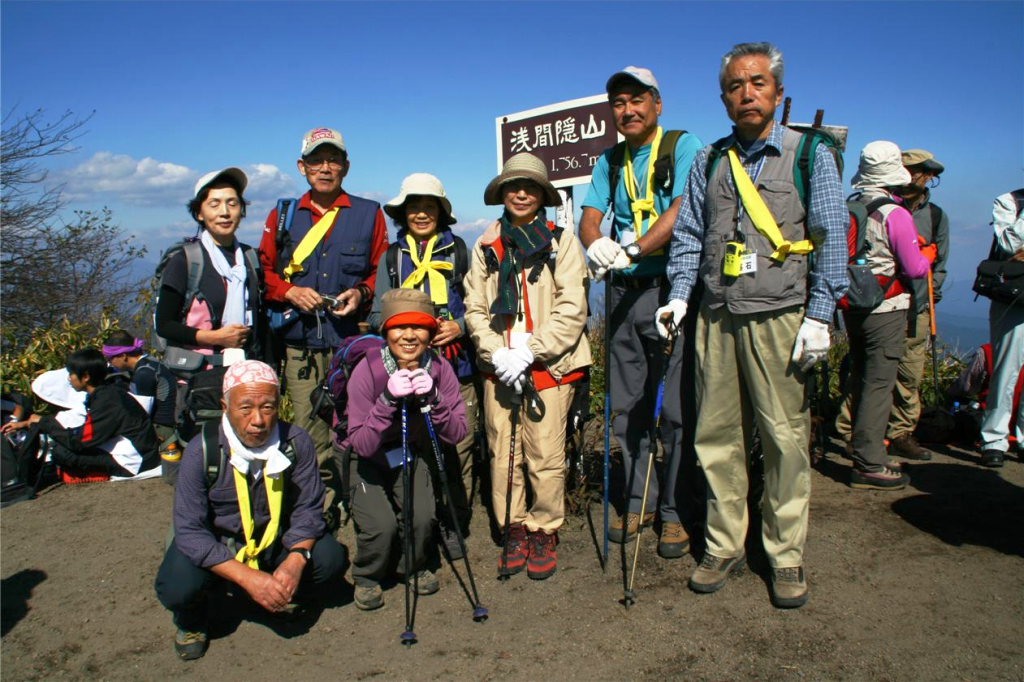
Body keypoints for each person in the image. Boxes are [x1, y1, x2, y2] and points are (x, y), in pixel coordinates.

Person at [660, 42, 848, 608]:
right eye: (736, 86)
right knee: (715, 437)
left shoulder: (809, 153)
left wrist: (820, 315)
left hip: (782, 315)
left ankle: (785, 555)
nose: (748, 93)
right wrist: (677, 296)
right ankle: (724, 543)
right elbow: (690, 235)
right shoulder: (711, 160)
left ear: (778, 92)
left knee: (785, 438)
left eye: (758, 82)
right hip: (715, 315)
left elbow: (832, 233)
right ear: (723, 99)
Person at [578, 66, 703, 557]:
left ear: (656, 103)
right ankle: (639, 501)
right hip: (623, 295)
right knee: (627, 408)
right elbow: (590, 216)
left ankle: (674, 511)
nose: (627, 110)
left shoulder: (682, 145)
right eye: (618, 103)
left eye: (636, 100)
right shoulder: (609, 160)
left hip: (668, 288)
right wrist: (597, 246)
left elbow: (682, 211)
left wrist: (630, 250)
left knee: (673, 408)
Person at [154, 360, 347, 660]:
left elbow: (308, 510)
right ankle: (192, 620)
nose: (258, 420)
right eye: (245, 408)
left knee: (329, 560)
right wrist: (245, 578)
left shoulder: (296, 442)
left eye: (268, 407)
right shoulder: (200, 451)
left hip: (274, 540)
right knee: (177, 586)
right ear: (225, 407)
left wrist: (295, 561)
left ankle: (280, 592)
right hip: (220, 546)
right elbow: (190, 530)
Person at [464, 153, 592, 580]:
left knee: (545, 453)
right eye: (513, 186)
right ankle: (512, 524)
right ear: (502, 193)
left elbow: (572, 306)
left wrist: (530, 351)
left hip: (550, 366)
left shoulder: (562, 242)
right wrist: (495, 353)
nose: (521, 193)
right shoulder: (485, 247)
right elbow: (475, 308)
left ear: (542, 195)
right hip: (499, 368)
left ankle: (543, 527)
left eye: (531, 187)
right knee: (504, 453)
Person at [259, 127, 388, 521]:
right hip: (301, 344)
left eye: (333, 159)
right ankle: (323, 507)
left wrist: (362, 295)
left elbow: (380, 273)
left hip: (352, 344)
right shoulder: (283, 216)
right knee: (309, 429)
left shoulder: (369, 213)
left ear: (346, 166)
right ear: (302, 167)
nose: (325, 167)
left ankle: (364, 502)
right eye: (317, 160)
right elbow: (262, 272)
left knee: (361, 423)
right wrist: (289, 293)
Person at [367, 173, 479, 559]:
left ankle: (454, 522)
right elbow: (377, 313)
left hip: (454, 365)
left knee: (458, 445)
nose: (420, 213)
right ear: (403, 213)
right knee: (413, 445)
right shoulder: (392, 257)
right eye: (413, 207)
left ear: (440, 212)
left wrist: (459, 326)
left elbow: (476, 301)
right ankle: (418, 523)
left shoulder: (459, 250)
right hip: (406, 370)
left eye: (428, 206)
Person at [343, 289, 467, 610]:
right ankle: (368, 575)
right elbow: (361, 443)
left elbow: (456, 433)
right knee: (380, 527)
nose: (409, 335)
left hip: (409, 450)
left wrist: (435, 398)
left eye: (420, 327)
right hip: (365, 457)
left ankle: (411, 566)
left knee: (423, 517)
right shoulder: (367, 371)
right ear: (385, 331)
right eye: (399, 326)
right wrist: (386, 400)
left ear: (432, 332)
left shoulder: (439, 369)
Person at [840, 141, 933, 490]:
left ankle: (863, 449)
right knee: (880, 384)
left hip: (852, 304)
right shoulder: (897, 214)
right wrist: (927, 255)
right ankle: (869, 463)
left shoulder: (850, 207)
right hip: (887, 307)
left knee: (862, 377)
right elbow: (913, 267)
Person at [156, 167, 263, 365]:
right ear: (199, 213)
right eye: (214, 204)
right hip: (196, 376)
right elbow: (164, 325)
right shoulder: (185, 260)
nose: (225, 212)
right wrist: (216, 338)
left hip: (244, 375)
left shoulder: (250, 259)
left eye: (232, 204)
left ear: (242, 210)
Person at [1, 349, 160, 478]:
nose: (68, 379)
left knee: (63, 453)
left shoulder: (106, 400)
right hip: (142, 452)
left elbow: (80, 443)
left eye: (71, 374)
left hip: (136, 460)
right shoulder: (107, 393)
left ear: (85, 377)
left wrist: (44, 422)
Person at [977, 189, 1024, 467]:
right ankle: (994, 439)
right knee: (1006, 369)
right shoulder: (1010, 202)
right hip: (1013, 297)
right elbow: (1009, 244)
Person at [103, 330, 177, 444]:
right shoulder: (149, 363)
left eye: (110, 359)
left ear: (123, 356)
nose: (110, 364)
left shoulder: (144, 373)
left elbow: (139, 415)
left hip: (160, 432)